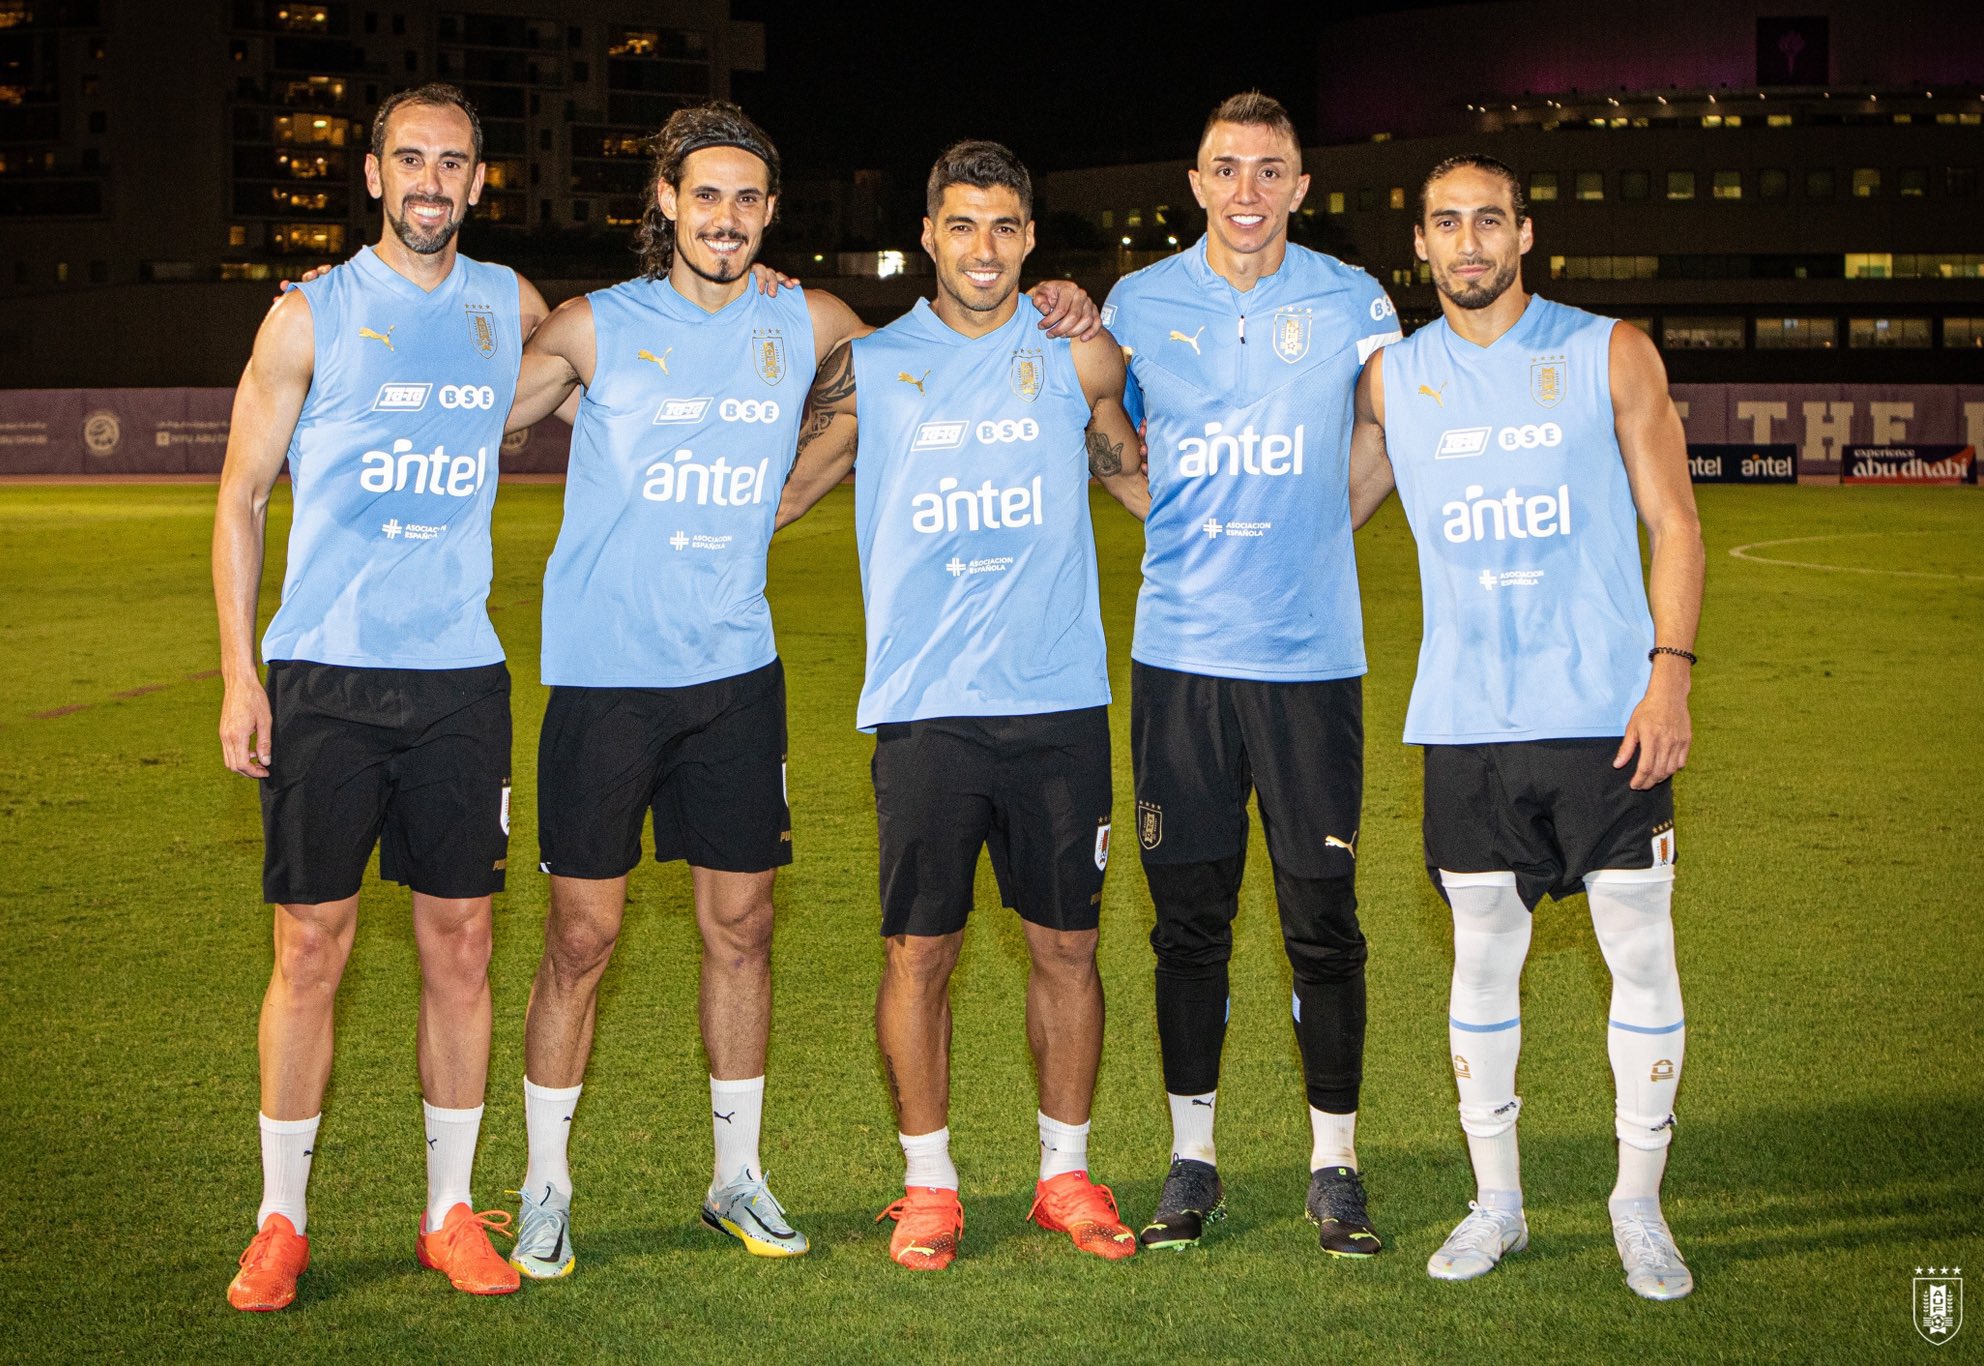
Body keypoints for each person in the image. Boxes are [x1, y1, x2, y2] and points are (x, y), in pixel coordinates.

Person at [497, 104, 1099, 1277]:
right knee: (581, 934)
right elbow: (482, 394)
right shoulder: (594, 326)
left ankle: (737, 1176)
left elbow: (942, 349)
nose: (723, 218)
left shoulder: (813, 320)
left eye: (746, 199)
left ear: (770, 214)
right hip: (603, 677)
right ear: (664, 202)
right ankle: (542, 1186)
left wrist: (1050, 300)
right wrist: (442, 289)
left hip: (735, 673)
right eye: (702, 195)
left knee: (743, 928)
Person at [776, 139, 1149, 1271]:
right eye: (960, 225)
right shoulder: (875, 366)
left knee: (1066, 946)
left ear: (1029, 238)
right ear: (928, 236)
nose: (982, 248)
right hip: (925, 706)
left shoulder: (1076, 356)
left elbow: (1137, 478)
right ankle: (927, 1181)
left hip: (1056, 701)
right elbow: (782, 485)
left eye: (1003, 227)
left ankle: (1063, 1172)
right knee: (918, 953)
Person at [214, 84, 548, 1310]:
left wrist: (767, 293)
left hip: (459, 674)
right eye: (409, 158)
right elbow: (241, 498)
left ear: (476, 181)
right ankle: (281, 1220)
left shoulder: (509, 307)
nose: (430, 180)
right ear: (371, 175)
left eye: (452, 163)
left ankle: (449, 1209)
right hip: (326, 674)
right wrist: (243, 672)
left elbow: (602, 355)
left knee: (459, 943)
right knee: (311, 943)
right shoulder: (307, 317)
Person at [1348, 154, 1705, 1300]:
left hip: (1607, 718)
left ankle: (1635, 1205)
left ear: (1523, 234)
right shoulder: (1392, 381)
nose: (1467, 243)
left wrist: (1668, 676)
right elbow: (1313, 514)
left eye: (1486, 222)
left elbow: (1675, 521)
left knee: (1638, 955)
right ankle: (1493, 1201)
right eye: (1445, 223)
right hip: (1467, 724)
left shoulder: (1606, 350)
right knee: (1483, 957)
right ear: (1418, 244)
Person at [1099, 91, 1402, 1254]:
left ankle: (1335, 1164)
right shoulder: (1138, 302)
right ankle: (1192, 1156)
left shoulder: (1348, 298)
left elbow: (1388, 428)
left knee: (1320, 917)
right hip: (1178, 658)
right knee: (1189, 922)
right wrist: (1158, 511)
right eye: (1226, 168)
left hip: (1308, 663)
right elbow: (1103, 429)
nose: (1245, 191)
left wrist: (1326, 524)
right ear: (1194, 181)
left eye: (1268, 170)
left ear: (1298, 187)